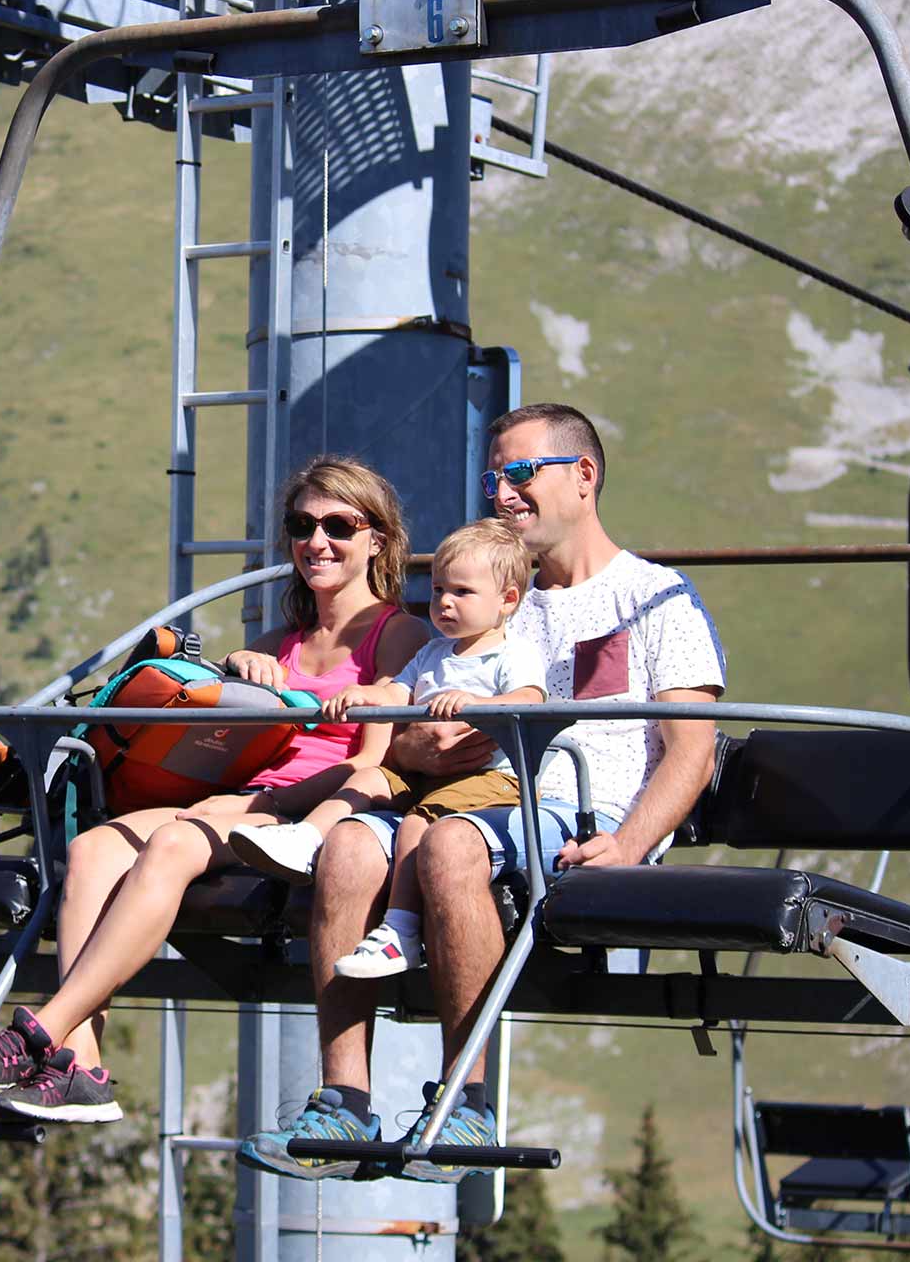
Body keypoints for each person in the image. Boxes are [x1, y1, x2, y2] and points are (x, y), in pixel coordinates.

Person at [238, 403, 726, 1184]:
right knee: (350, 845)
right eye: (494, 476)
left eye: (522, 474)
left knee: (453, 842)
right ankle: (344, 1098)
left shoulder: (654, 599)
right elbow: (414, 721)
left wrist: (628, 844)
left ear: (585, 476)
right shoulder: (490, 596)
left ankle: (464, 1103)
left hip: (569, 810)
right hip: (462, 794)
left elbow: (690, 751)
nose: (502, 493)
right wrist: (416, 741)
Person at [0, 455, 425, 1125]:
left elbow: (374, 765)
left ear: (377, 537)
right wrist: (239, 676)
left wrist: (270, 804)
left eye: (339, 525)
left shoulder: (398, 636)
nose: (317, 541)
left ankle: (38, 1032)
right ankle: (81, 1067)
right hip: (243, 799)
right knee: (94, 850)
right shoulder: (279, 642)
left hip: (309, 815)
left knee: (172, 844)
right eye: (302, 524)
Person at [226, 518, 545, 980]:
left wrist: (480, 703)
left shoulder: (511, 654)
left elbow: (530, 700)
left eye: (462, 592)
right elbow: (397, 692)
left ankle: (400, 927)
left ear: (508, 600)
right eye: (438, 591)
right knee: (368, 778)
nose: (445, 603)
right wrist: (366, 696)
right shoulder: (435, 653)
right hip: (427, 772)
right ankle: (306, 837)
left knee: (420, 822)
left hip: (485, 778)